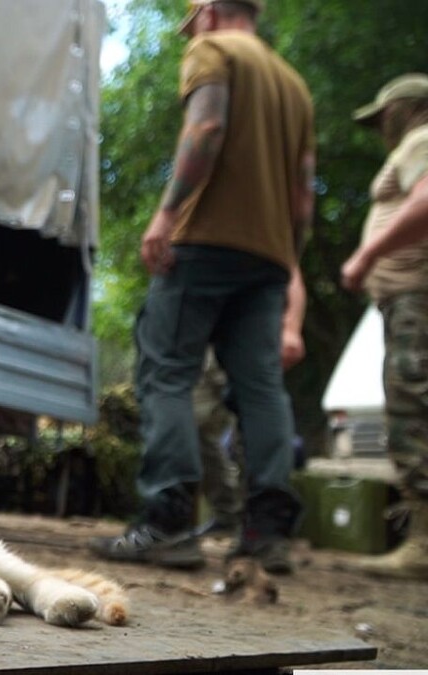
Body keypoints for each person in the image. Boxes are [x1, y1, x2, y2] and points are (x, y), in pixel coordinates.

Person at [88, 0, 315, 574]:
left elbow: (207, 125)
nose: (191, 33)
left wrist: (167, 215)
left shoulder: (211, 51)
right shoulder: (294, 84)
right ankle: (267, 535)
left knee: (166, 372)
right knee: (261, 388)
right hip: (269, 256)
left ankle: (167, 521)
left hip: (205, 244)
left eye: (191, 23)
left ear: (210, 12)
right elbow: (303, 195)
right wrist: (289, 257)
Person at [339, 73, 428, 580]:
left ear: (405, 109)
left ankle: (424, 544)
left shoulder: (422, 138)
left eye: (382, 117)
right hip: (405, 299)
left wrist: (368, 253)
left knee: (412, 405)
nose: (380, 129)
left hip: (417, 296)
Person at [195, 268, 306, 537]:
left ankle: (263, 523)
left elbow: (289, 270)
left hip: (253, 333)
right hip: (203, 335)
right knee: (193, 422)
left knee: (254, 432)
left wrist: (291, 328)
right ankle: (227, 512)